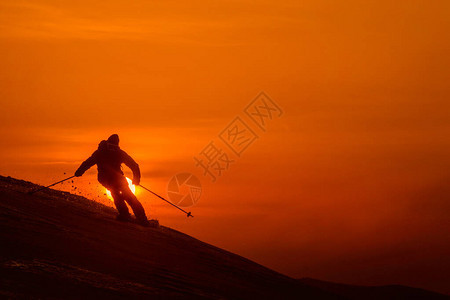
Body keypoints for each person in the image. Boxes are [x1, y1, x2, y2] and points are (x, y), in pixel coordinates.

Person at [75, 134, 150, 226]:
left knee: (119, 195)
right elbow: (134, 165)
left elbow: (88, 162)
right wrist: (136, 179)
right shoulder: (111, 152)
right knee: (126, 196)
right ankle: (137, 217)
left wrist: (80, 171)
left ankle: (126, 215)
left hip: (109, 179)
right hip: (111, 179)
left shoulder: (102, 152)